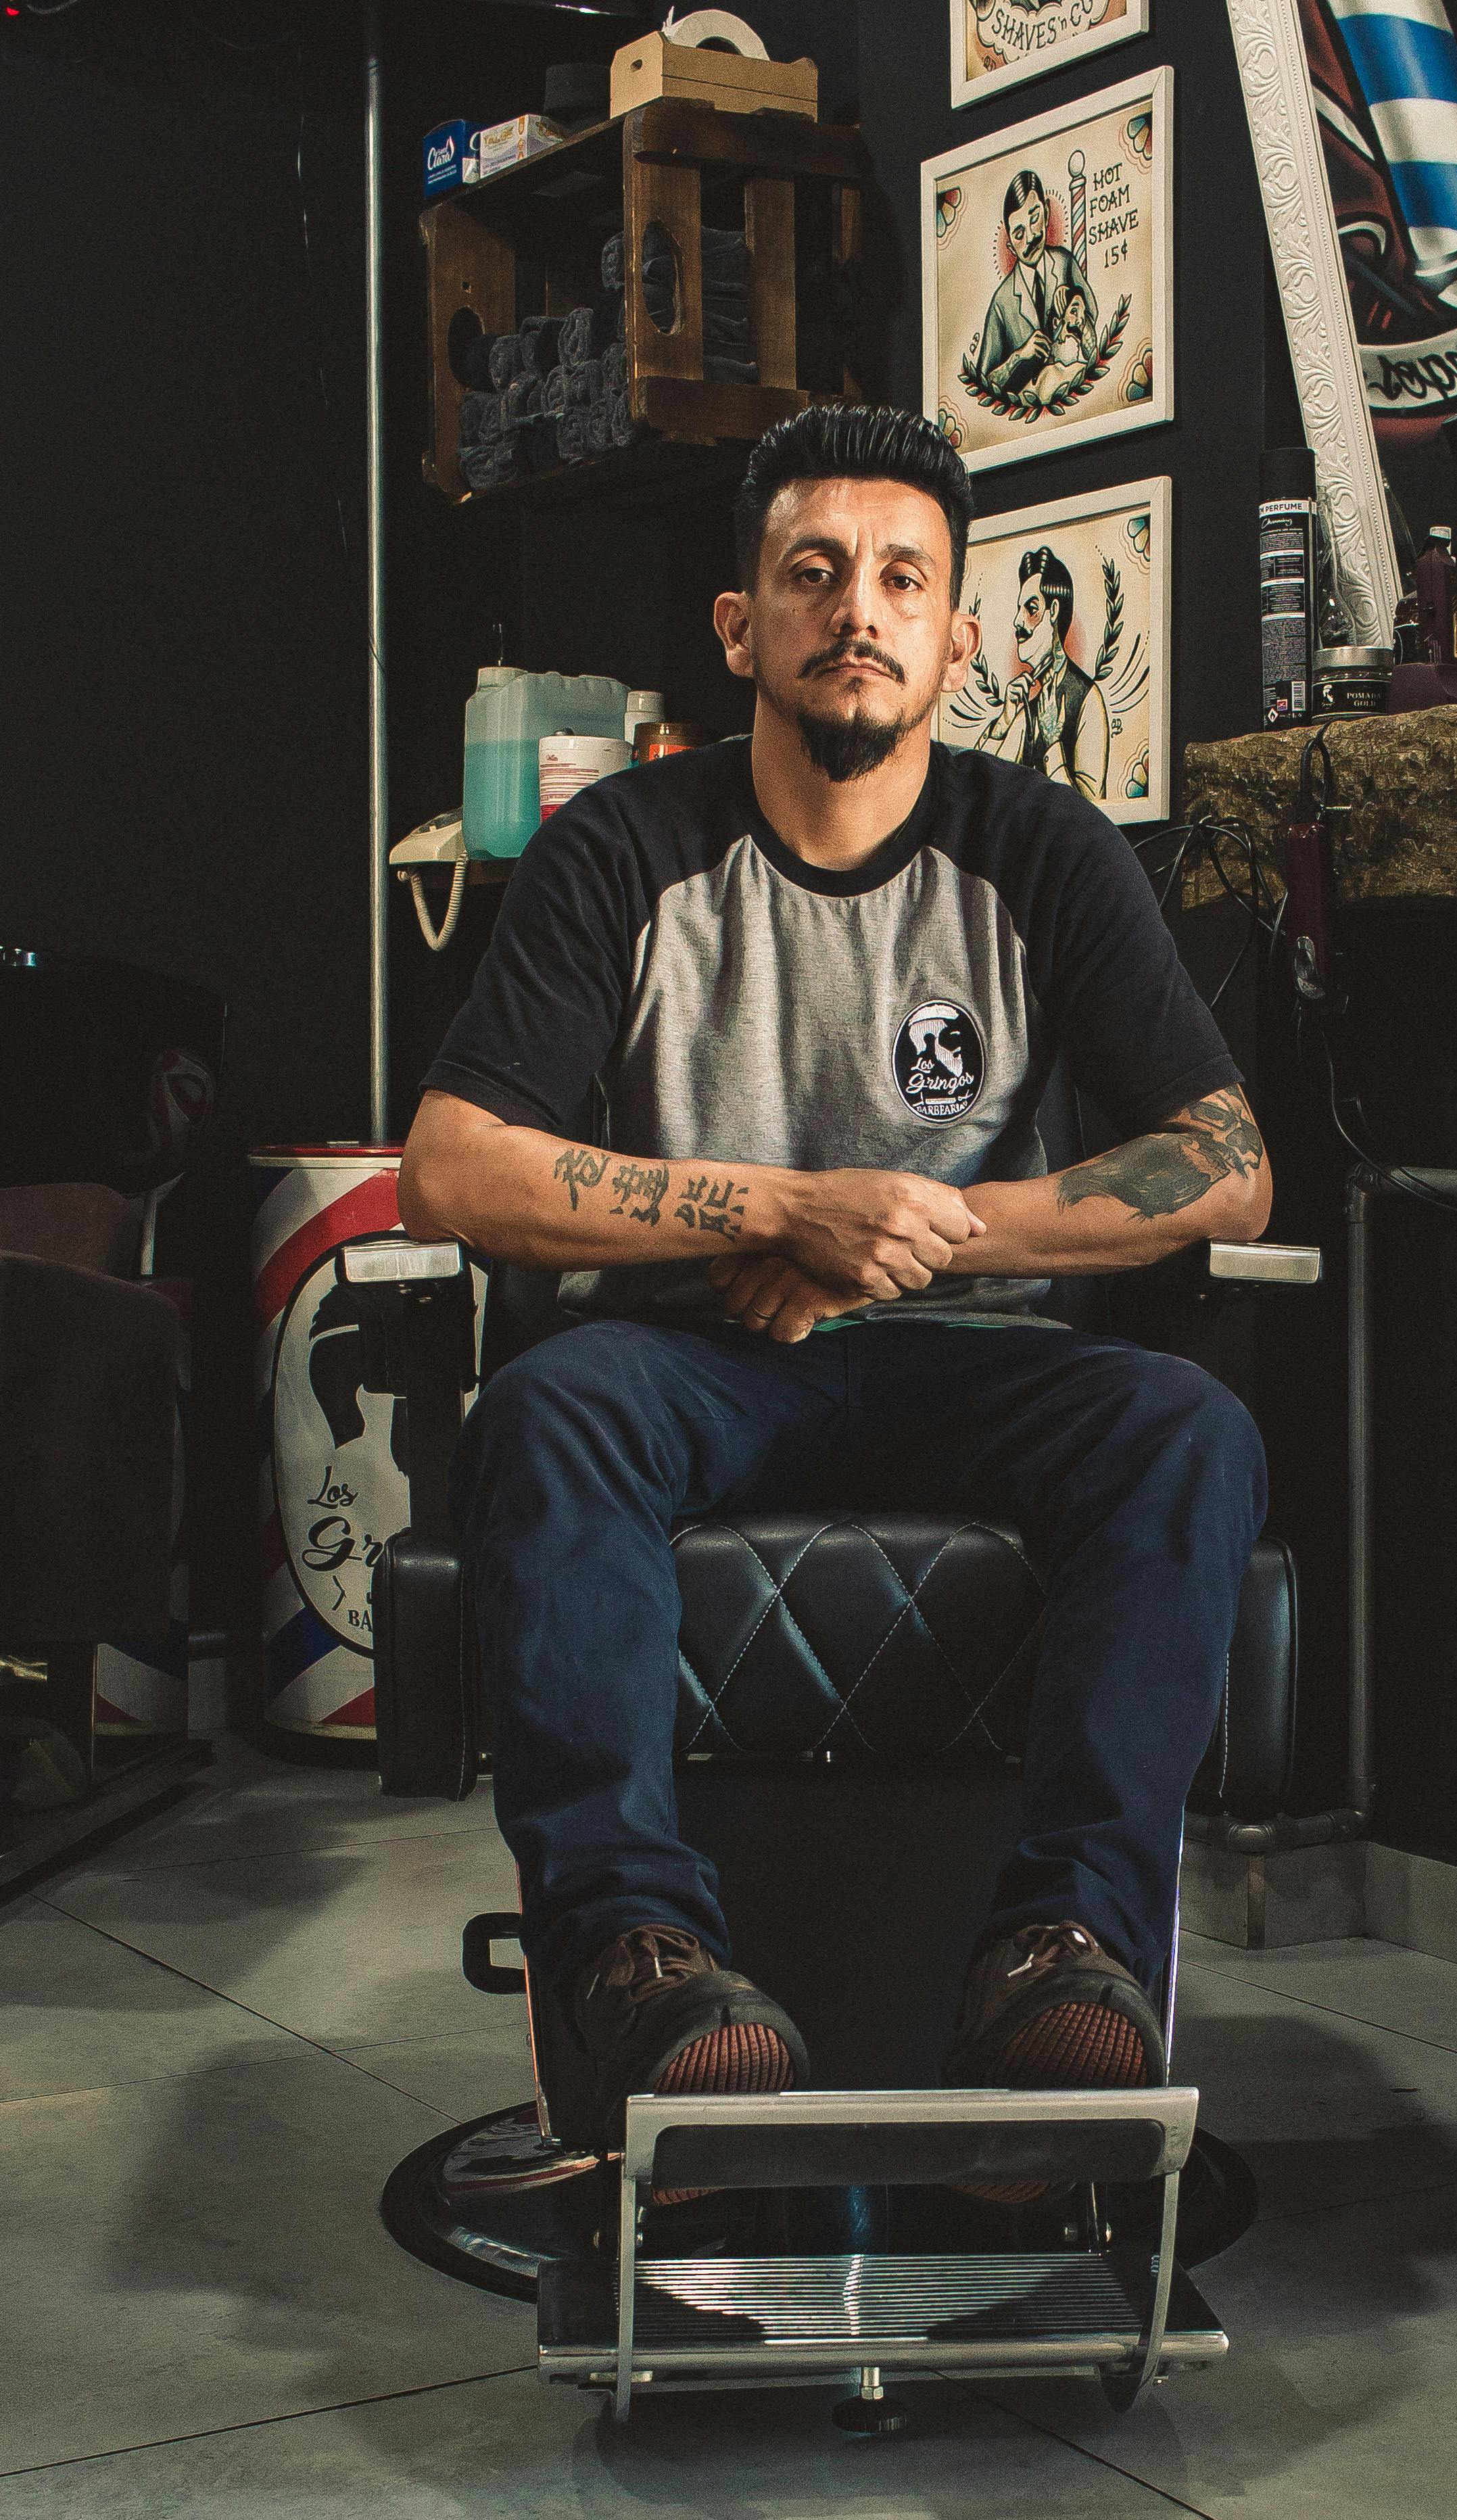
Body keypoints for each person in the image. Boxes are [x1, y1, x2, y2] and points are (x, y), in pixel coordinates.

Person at [400, 404, 1270, 2166]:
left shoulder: (1042, 848)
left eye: (901, 578)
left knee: (1185, 1428)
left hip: (974, 1361)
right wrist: (780, 1209)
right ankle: (637, 1962)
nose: (856, 608)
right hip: (695, 1363)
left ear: (958, 635)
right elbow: (453, 1164)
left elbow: (1226, 1158)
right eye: (812, 572)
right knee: (550, 1411)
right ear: (741, 626)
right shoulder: (622, 846)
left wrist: (923, 1232)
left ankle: (1063, 1945)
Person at [976, 542, 1112, 802]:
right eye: (1019, 609)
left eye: (1031, 609)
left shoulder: (1087, 699)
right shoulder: (1025, 704)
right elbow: (980, 797)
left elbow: (1092, 811)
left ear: (1054, 612)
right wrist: (1004, 722)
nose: (1017, 621)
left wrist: (1052, 743)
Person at [976, 170, 1095, 402]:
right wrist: (1020, 355)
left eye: (1034, 219)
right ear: (1010, 246)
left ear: (1047, 213)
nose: (1030, 237)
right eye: (1019, 234)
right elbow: (984, 384)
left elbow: (1093, 321)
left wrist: (1077, 303)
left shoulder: (1064, 263)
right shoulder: (1002, 301)